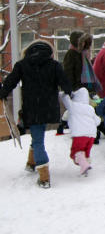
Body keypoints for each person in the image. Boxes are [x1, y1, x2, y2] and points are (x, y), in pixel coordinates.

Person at [0, 40, 71, 188]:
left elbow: (10, 82)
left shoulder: (22, 65)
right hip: (50, 107)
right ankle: (31, 163)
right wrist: (71, 94)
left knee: (38, 139)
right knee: (37, 136)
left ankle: (44, 178)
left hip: (32, 108)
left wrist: (3, 93)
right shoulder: (55, 65)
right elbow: (66, 84)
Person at [59, 31, 97, 135]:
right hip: (77, 88)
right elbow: (68, 73)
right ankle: (70, 127)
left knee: (83, 110)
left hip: (85, 87)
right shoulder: (71, 54)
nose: (84, 44)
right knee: (79, 111)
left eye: (85, 42)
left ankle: (66, 125)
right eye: (82, 42)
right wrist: (70, 89)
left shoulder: (83, 54)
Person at [60, 87, 101, 176]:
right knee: (85, 153)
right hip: (91, 136)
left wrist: (63, 92)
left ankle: (84, 166)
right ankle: (86, 165)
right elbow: (97, 121)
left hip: (80, 135)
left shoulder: (73, 106)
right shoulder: (90, 108)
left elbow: (64, 98)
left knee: (75, 153)